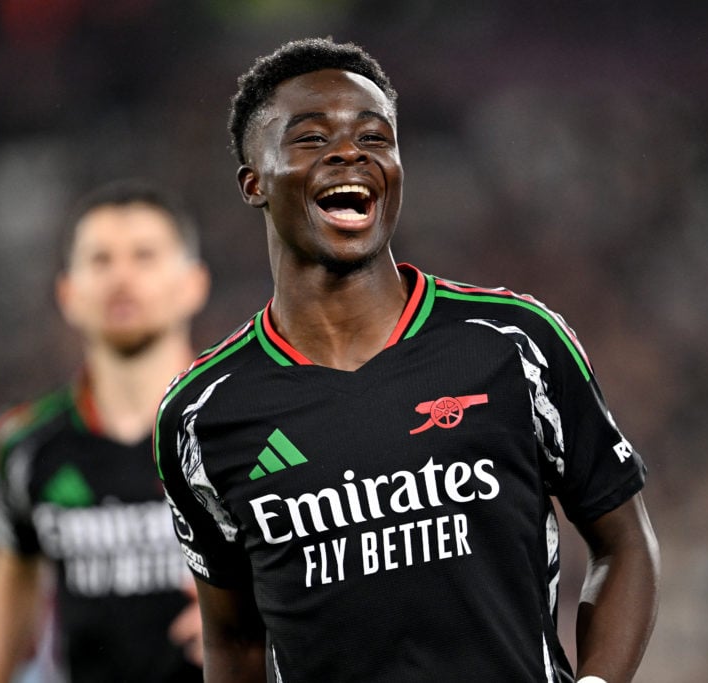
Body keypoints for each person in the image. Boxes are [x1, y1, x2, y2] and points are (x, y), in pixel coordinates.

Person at [154, 37, 660, 683]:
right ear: (254, 181)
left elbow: (625, 542)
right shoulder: (203, 413)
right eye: (310, 138)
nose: (349, 152)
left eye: (375, 136)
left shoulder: (512, 341)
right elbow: (233, 640)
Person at [0, 179, 210, 682]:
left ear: (193, 285)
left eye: (144, 256)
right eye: (100, 260)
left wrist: (252, 620)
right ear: (68, 293)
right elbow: (13, 568)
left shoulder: (242, 432)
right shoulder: (25, 444)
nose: (121, 278)